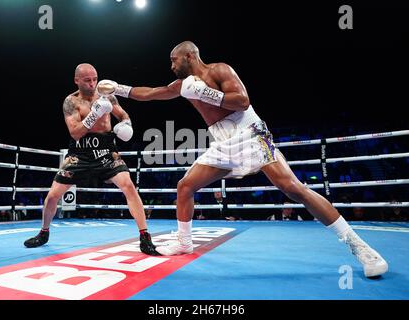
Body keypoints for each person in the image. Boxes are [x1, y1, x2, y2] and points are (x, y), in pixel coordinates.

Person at [97, 41, 388, 277]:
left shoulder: (219, 70)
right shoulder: (182, 85)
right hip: (223, 141)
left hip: (249, 131)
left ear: (189, 55)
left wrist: (208, 93)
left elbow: (243, 101)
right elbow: (151, 93)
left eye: (174, 60)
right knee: (185, 186)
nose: (171, 65)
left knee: (292, 188)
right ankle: (184, 244)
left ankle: (359, 247)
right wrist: (119, 89)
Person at [23, 63, 159, 256]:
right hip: (80, 153)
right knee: (53, 196)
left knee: (128, 185)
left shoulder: (107, 95)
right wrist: (94, 114)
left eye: (95, 79)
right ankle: (44, 232)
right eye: (87, 80)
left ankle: (145, 237)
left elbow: (123, 114)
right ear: (76, 80)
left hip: (106, 151)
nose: (92, 83)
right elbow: (75, 133)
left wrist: (126, 123)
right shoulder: (71, 102)